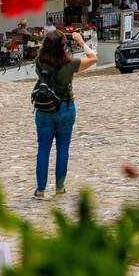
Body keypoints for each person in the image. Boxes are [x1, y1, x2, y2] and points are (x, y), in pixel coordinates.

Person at [32, 30, 99, 200]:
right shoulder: (70, 63)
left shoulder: (39, 62)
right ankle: (60, 187)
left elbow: (44, 52)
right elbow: (93, 58)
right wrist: (81, 42)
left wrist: (50, 42)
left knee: (43, 149)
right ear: (63, 47)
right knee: (62, 149)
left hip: (44, 110)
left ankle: (40, 190)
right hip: (65, 108)